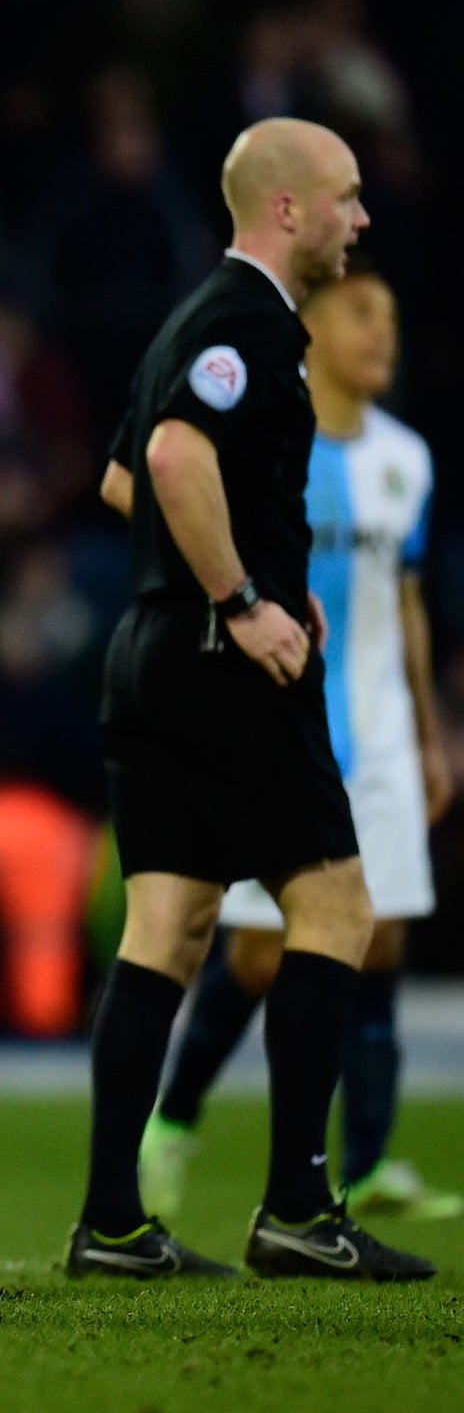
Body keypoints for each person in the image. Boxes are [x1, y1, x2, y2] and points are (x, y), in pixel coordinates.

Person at [69, 118, 433, 1281]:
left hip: (150, 653)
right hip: (222, 667)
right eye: (345, 197)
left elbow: (119, 475)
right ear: (286, 208)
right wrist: (242, 599)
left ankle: (111, 1223)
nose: (359, 219)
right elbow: (172, 461)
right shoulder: (243, 323)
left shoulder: (190, 317)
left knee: (165, 928)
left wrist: (240, 577)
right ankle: (294, 1208)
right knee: (333, 907)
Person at [116, 265, 461, 1221]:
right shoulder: (271, 422)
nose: (382, 334)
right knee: (269, 957)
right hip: (282, 708)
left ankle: (370, 1161)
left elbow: (407, 598)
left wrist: (431, 735)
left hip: (383, 733)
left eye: (392, 316)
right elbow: (150, 484)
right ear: (311, 323)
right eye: (361, 312)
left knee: (380, 937)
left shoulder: (408, 459)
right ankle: (174, 1121)